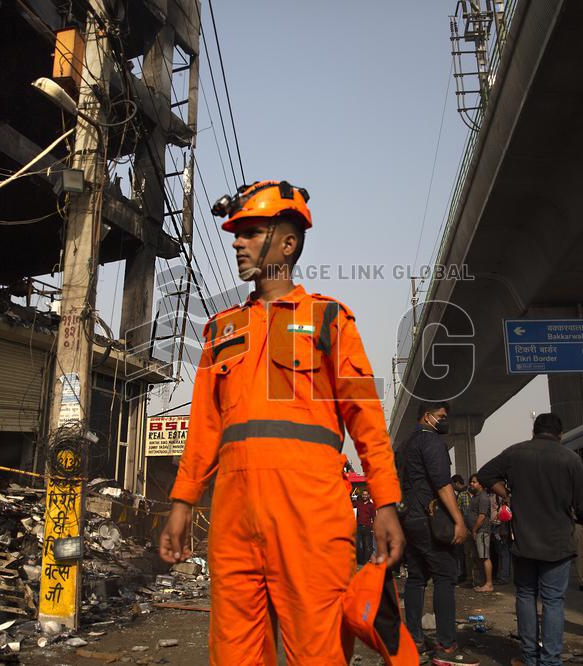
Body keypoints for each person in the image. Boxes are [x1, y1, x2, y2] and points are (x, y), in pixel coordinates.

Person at [158, 180, 406, 664]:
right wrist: (183, 501)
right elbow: (205, 425)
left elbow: (365, 418)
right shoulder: (220, 330)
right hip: (233, 518)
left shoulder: (330, 320)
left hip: (310, 515)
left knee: (318, 653)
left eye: (250, 232)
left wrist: (387, 502)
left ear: (287, 244)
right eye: (235, 233)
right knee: (233, 654)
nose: (237, 242)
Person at [477, 413, 583, 666]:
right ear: (559, 434)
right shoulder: (570, 459)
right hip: (557, 543)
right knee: (553, 601)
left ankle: (529, 657)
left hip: (523, 541)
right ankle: (550, 660)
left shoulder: (516, 453)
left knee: (525, 595)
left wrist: (508, 494)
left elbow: (485, 475)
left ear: (534, 431)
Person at [397, 402, 477, 666]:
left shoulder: (405, 445)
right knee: (445, 575)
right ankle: (445, 645)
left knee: (416, 578)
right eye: (441, 416)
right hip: (429, 519)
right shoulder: (431, 442)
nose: (445, 421)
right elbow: (442, 484)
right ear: (427, 416)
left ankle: (414, 640)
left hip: (409, 517)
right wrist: (459, 521)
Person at [467, 474, 494, 592]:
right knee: (479, 557)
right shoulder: (475, 496)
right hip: (476, 531)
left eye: (474, 482)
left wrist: (474, 529)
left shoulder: (483, 497)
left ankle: (489, 584)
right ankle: (483, 582)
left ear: (481, 484)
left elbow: (482, 516)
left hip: (481, 531)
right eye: (471, 482)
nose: (472, 484)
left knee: (484, 557)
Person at [451, 474, 472, 584]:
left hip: (464, 527)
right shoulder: (471, 492)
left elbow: (459, 511)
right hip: (472, 527)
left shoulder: (461, 495)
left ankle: (462, 574)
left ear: (457, 483)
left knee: (461, 553)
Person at [491, 494, 513, 585]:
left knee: (504, 554)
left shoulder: (505, 498)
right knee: (501, 553)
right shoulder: (496, 496)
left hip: (502, 529)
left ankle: (503, 577)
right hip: (498, 528)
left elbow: (505, 516)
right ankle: (501, 576)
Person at [355, 489, 377, 565]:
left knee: (366, 545)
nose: (364, 496)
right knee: (358, 546)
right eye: (363, 494)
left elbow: (374, 517)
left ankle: (365, 562)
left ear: (368, 496)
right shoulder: (359, 503)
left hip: (367, 527)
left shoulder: (371, 505)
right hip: (359, 527)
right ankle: (359, 561)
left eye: (366, 495)